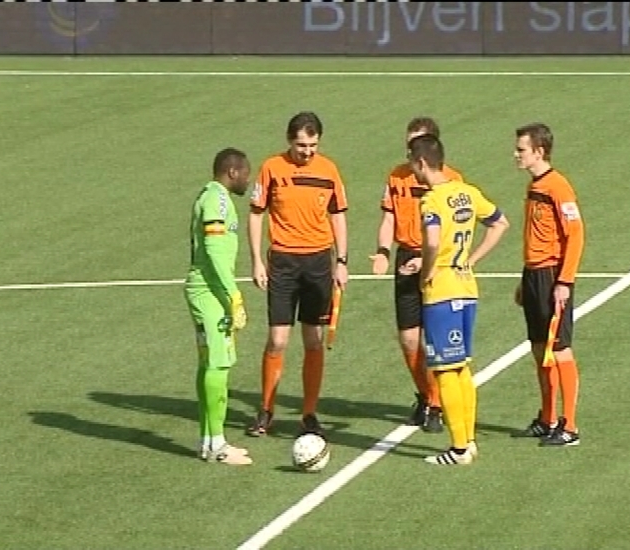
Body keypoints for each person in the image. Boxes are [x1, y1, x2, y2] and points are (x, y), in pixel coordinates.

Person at [409, 134, 509, 465]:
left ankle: (459, 449)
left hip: (442, 293)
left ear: (422, 162)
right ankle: (468, 439)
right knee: (462, 366)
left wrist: (425, 271)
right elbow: (499, 223)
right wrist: (471, 259)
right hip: (467, 288)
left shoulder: (432, 200)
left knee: (445, 370)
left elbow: (434, 242)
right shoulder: (467, 191)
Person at [247, 111, 349, 438]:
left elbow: (338, 216)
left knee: (313, 340)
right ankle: (266, 409)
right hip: (283, 262)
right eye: (301, 145)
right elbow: (256, 214)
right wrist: (256, 261)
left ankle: (308, 413)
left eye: (313, 145)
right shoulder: (272, 168)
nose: (307, 151)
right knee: (278, 339)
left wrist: (342, 261)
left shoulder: (328, 169)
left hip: (319, 262)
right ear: (289, 141)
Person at [370, 117, 464, 433]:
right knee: (409, 339)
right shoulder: (396, 177)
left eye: (415, 145)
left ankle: (437, 405)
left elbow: (453, 230)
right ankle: (426, 396)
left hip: (439, 261)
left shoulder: (452, 181)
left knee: (435, 339)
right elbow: (387, 218)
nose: (408, 151)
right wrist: (383, 252)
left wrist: (429, 261)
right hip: (406, 258)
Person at [512, 122, 585, 447]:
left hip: (552, 276)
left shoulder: (558, 187)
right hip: (534, 275)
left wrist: (564, 281)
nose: (515, 154)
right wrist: (524, 278)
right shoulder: (535, 186)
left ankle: (570, 425)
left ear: (539, 152)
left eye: (521, 149)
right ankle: (547, 418)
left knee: (560, 350)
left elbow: (576, 235)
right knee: (540, 349)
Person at [184, 147, 252, 466]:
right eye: (246, 174)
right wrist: (232, 295)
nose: (248, 181)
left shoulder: (211, 196)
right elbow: (212, 248)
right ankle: (217, 445)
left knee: (210, 363)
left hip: (208, 291)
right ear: (233, 171)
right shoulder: (218, 199)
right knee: (218, 364)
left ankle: (209, 440)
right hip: (210, 292)